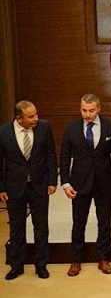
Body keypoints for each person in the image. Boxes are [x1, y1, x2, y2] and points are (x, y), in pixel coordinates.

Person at [60, 93, 111, 276]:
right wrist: (65, 183)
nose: (87, 114)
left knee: (104, 222)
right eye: (84, 110)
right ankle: (76, 259)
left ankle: (103, 258)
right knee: (79, 222)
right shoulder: (71, 129)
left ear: (99, 109)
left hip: (104, 181)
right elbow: (64, 157)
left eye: (91, 110)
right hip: (79, 183)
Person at [0, 101, 57, 280]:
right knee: (17, 228)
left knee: (41, 228)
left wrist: (52, 181)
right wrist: (1, 187)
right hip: (14, 187)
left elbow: (51, 155)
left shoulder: (44, 127)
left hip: (39, 185)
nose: (36, 118)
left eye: (36, 114)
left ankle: (41, 265)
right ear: (19, 119)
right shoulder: (4, 132)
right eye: (31, 116)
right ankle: (16, 266)